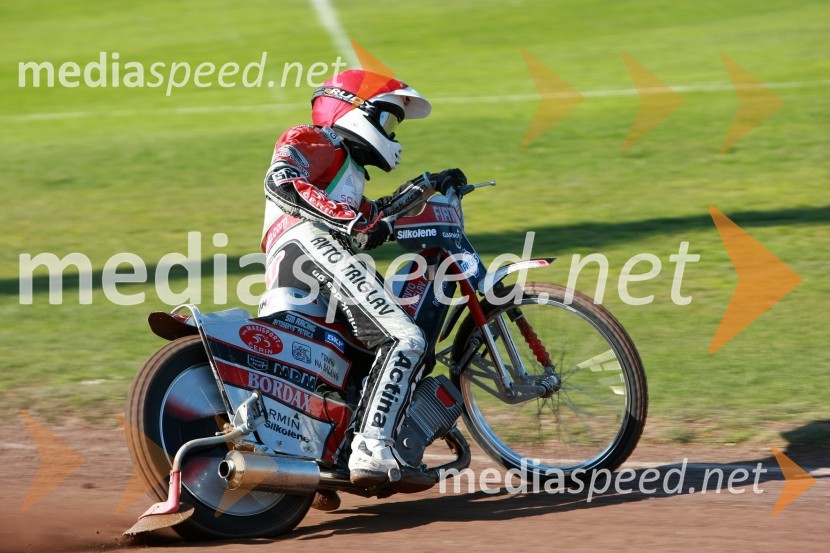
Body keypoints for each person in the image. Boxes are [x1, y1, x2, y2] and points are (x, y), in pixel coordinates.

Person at [259, 69, 466, 487]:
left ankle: (331, 448)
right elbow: (281, 182)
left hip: (309, 268)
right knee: (405, 338)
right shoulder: (316, 138)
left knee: (369, 357)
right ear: (354, 112)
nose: (393, 135)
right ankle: (372, 447)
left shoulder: (346, 174)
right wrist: (350, 222)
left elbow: (376, 218)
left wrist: (426, 187)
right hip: (306, 249)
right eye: (388, 121)